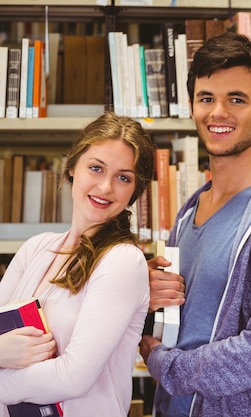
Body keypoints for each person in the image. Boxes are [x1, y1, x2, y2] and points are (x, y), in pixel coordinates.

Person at [139, 31, 251, 416]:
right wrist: (146, 296)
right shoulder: (188, 211)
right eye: (206, 98)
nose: (217, 112)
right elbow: (172, 324)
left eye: (236, 99)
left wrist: (165, 365)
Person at [0, 111, 155, 416]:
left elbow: (74, 376)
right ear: (72, 168)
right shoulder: (36, 249)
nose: (106, 187)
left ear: (134, 191)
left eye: (123, 177)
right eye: (96, 168)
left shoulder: (123, 260)